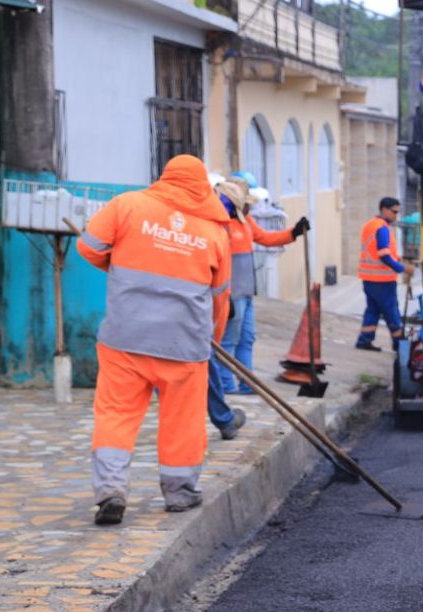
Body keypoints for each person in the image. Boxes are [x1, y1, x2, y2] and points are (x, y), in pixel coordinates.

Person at [75, 155, 230, 526]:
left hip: (125, 338)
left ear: (165, 177)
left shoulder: (127, 206)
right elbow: (221, 295)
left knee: (116, 414)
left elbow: (89, 247)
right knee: (183, 421)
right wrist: (213, 338)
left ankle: (111, 490)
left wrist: (119, 265)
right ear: (202, 188)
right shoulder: (214, 233)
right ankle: (179, 493)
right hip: (184, 345)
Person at [208, 175, 308, 440]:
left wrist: (293, 233)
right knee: (228, 341)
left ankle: (247, 384)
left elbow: (265, 238)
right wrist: (223, 297)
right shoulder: (220, 226)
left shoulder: (244, 221)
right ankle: (228, 388)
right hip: (229, 294)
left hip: (247, 291)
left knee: (247, 337)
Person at [357, 197, 407, 352]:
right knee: (391, 310)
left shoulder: (369, 225)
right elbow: (384, 254)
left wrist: (398, 259)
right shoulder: (382, 228)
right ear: (384, 209)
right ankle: (399, 344)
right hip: (382, 280)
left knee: (373, 310)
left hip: (368, 278)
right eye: (394, 212)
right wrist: (402, 268)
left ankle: (364, 340)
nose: (395, 216)